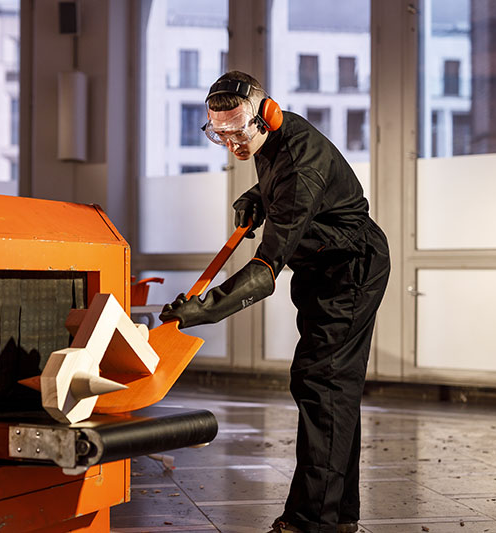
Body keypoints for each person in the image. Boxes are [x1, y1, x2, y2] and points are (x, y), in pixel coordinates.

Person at [159, 70, 391, 533]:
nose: (231, 145)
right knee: (333, 390)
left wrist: (205, 309)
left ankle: (312, 523)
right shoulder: (272, 138)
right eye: (217, 134)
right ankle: (339, 517)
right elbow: (284, 183)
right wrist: (258, 197)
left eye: (237, 133)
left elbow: (266, 272)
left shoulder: (300, 165)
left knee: (322, 385)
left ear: (267, 116)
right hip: (324, 266)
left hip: (350, 271)